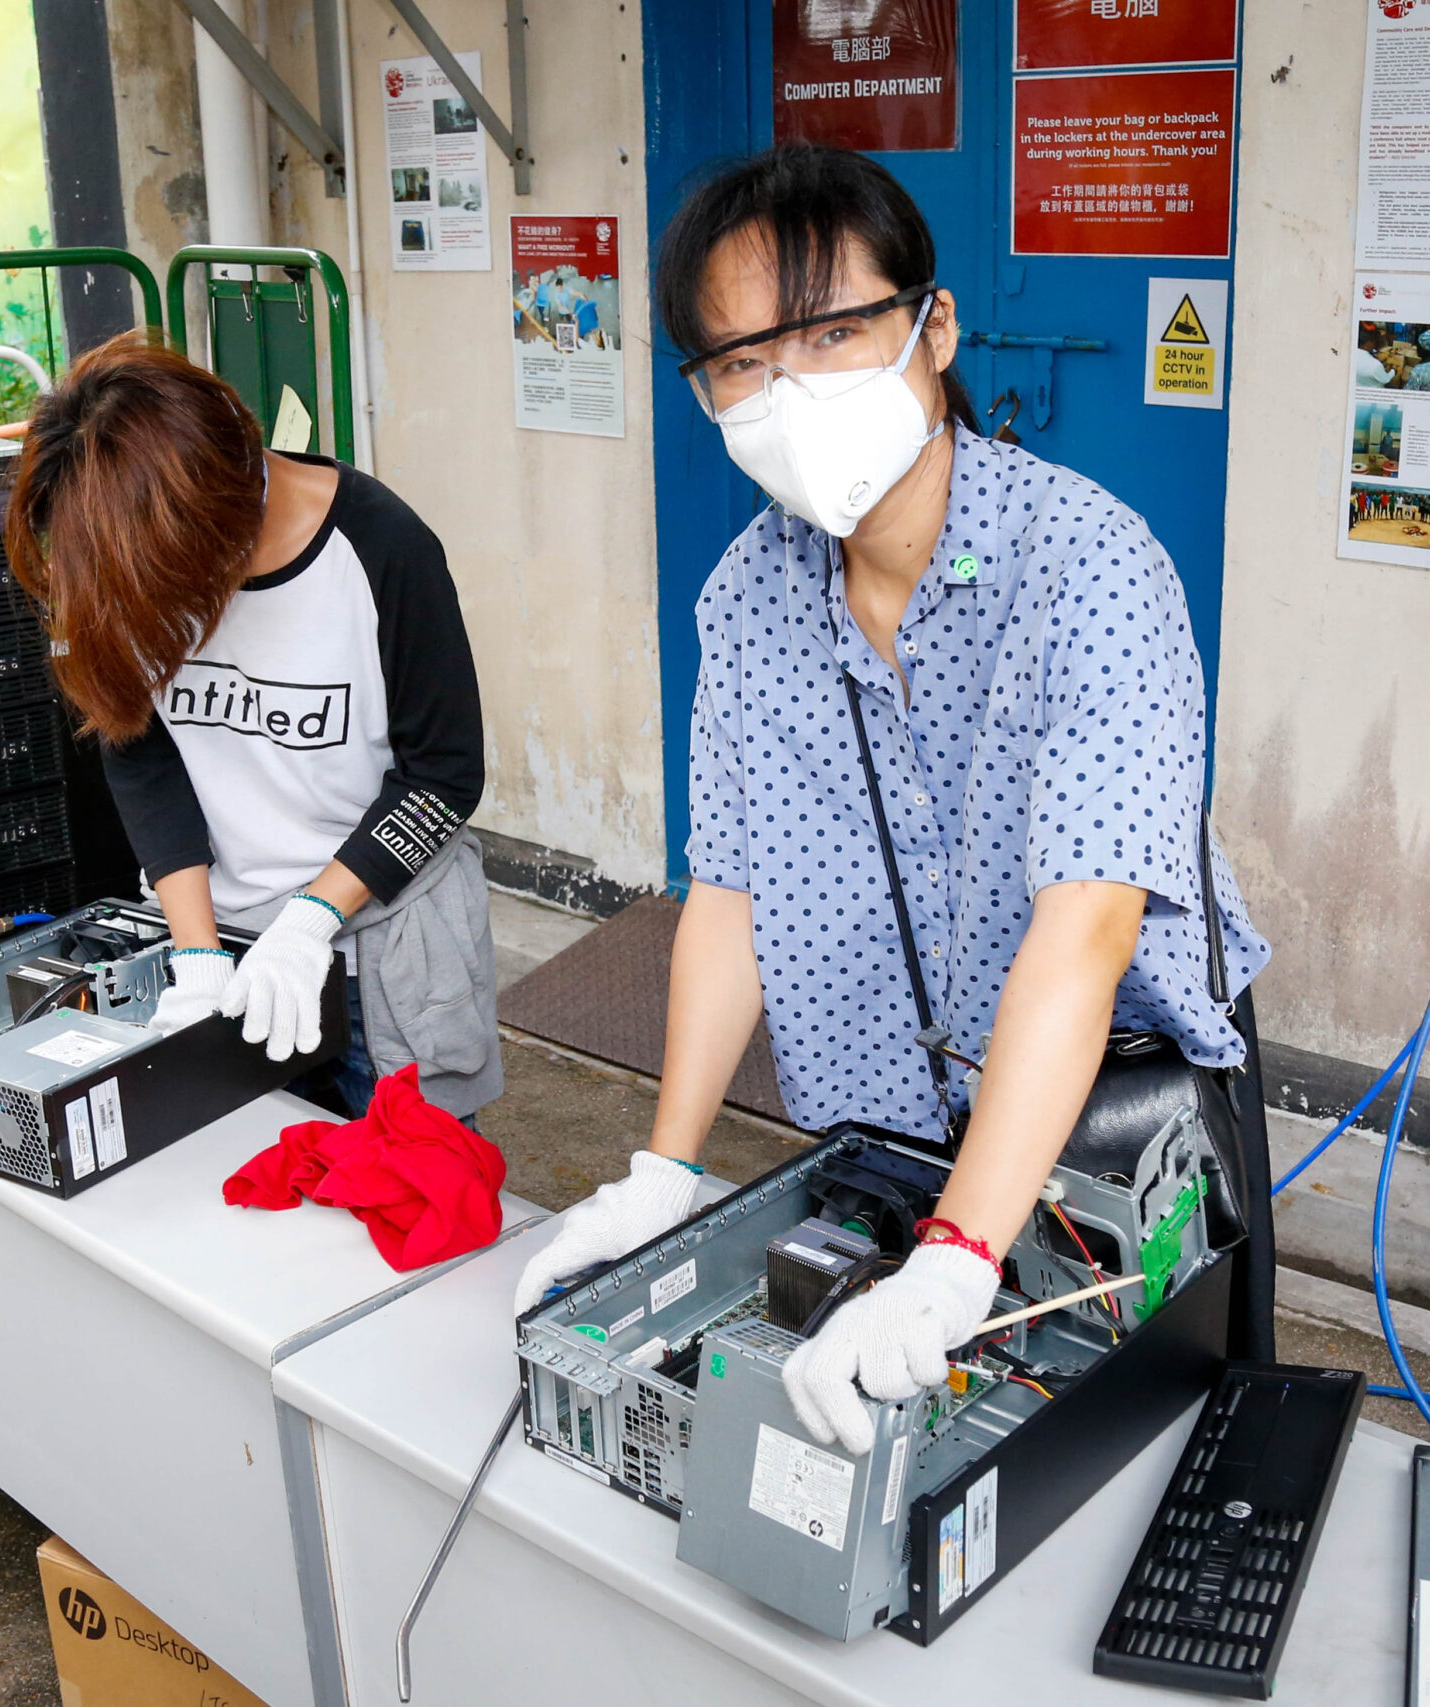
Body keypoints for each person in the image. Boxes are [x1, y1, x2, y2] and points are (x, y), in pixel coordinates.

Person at [509, 145, 1272, 1457]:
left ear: (933, 328)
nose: (788, 387)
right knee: (920, 1451)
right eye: (741, 360)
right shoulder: (749, 596)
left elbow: (1084, 932)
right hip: (886, 1123)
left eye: (830, 331)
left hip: (1114, 1108)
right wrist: (665, 1168)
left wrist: (964, 1250)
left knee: (1150, 1434)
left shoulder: (1090, 563)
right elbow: (730, 897)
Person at [3, 331, 502, 1121]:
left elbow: (443, 776)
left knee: (414, 1202)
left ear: (217, 505)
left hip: (386, 944)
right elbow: (140, 754)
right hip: (225, 943)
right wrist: (197, 955)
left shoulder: (380, 549)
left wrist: (310, 921)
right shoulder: (127, 559)